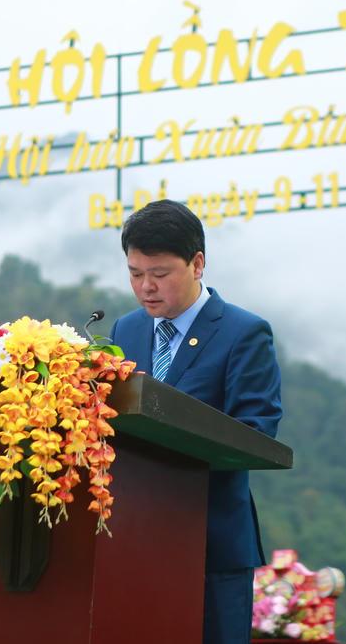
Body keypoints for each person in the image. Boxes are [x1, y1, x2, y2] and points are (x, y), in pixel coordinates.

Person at [108, 199, 282, 644]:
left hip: (212, 546)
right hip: (135, 540)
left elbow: (257, 432)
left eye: (160, 274)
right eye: (134, 273)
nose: (146, 287)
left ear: (197, 263)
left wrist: (168, 426)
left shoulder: (244, 333)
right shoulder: (125, 331)